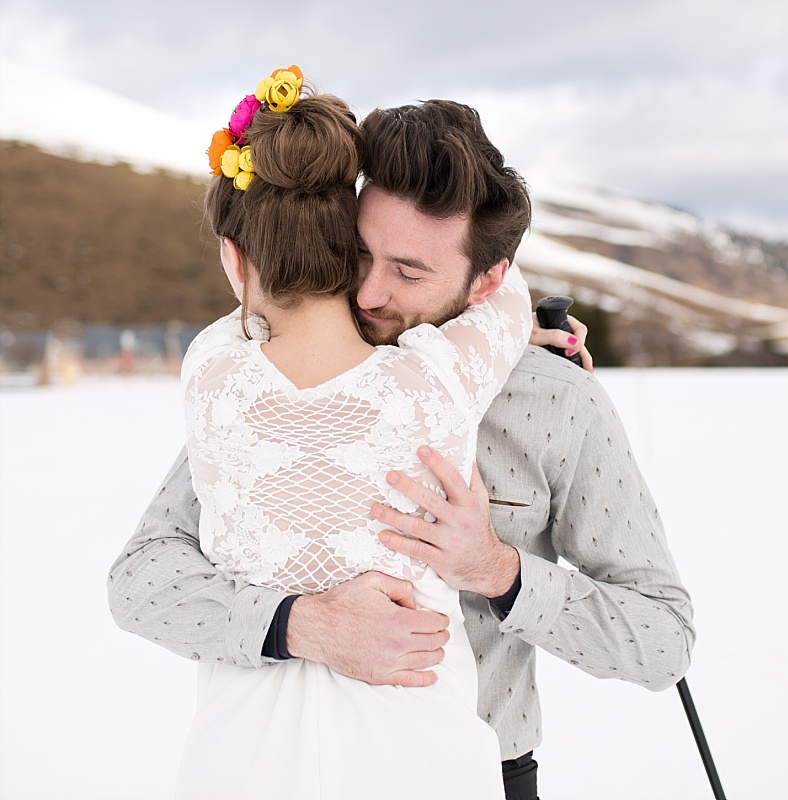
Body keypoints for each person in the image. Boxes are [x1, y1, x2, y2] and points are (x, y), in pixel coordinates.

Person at [109, 96, 695, 800]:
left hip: (479, 772)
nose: (367, 292)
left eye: (410, 272)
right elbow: (141, 580)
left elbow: (662, 638)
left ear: (489, 281)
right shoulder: (272, 382)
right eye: (357, 253)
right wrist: (299, 626)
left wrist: (499, 570)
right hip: (289, 772)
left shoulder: (555, 401)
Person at [175, 67, 534, 798]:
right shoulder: (437, 383)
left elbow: (252, 311)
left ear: (234, 261)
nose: (376, 292)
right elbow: (507, 304)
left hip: (240, 765)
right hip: (417, 764)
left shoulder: (209, 374)